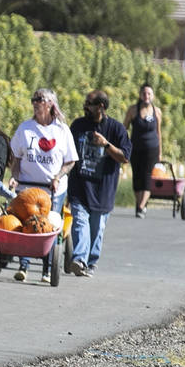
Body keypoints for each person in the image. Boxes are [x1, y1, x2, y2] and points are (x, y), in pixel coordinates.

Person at [9, 88, 78, 283]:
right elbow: (16, 157)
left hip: (52, 188)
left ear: (50, 104)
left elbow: (70, 160)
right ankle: (24, 265)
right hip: (27, 187)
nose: (35, 103)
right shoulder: (25, 128)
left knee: (48, 227)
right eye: (34, 99)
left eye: (39, 99)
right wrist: (14, 177)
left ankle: (47, 268)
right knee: (27, 224)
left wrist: (58, 176)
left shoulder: (62, 130)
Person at [68, 90, 132, 277]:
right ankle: (79, 259)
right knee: (80, 222)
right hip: (79, 185)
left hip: (103, 188)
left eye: (89, 103)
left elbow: (124, 157)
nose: (85, 107)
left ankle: (91, 262)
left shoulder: (116, 129)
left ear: (101, 107)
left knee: (96, 229)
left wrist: (105, 144)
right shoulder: (78, 125)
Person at [123, 84, 162, 218]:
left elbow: (159, 132)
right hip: (136, 148)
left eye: (149, 94)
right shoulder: (133, 110)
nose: (146, 96)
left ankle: (141, 206)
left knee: (147, 176)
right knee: (137, 176)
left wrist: (160, 152)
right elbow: (124, 128)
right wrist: (123, 146)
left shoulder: (157, 111)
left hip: (152, 149)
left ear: (153, 96)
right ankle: (139, 203)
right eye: (144, 93)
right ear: (140, 95)